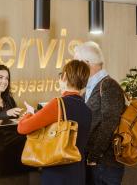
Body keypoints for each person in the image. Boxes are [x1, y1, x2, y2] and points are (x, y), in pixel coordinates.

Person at [17, 60, 92, 185]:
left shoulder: (58, 104)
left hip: (57, 173)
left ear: (64, 77)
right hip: (78, 173)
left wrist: (29, 114)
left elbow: (22, 128)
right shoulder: (87, 109)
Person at [74, 41, 126, 185]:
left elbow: (109, 124)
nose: (76, 69)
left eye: (77, 64)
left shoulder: (109, 85)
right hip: (93, 163)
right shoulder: (90, 87)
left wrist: (94, 156)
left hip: (105, 165)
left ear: (87, 62)